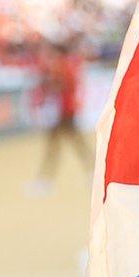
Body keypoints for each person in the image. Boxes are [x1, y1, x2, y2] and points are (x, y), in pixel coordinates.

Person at [26, 36, 91, 195]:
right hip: (66, 110)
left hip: (63, 111)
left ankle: (45, 180)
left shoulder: (62, 67)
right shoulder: (67, 65)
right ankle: (92, 172)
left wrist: (47, 85)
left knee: (56, 146)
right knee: (75, 144)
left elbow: (60, 86)